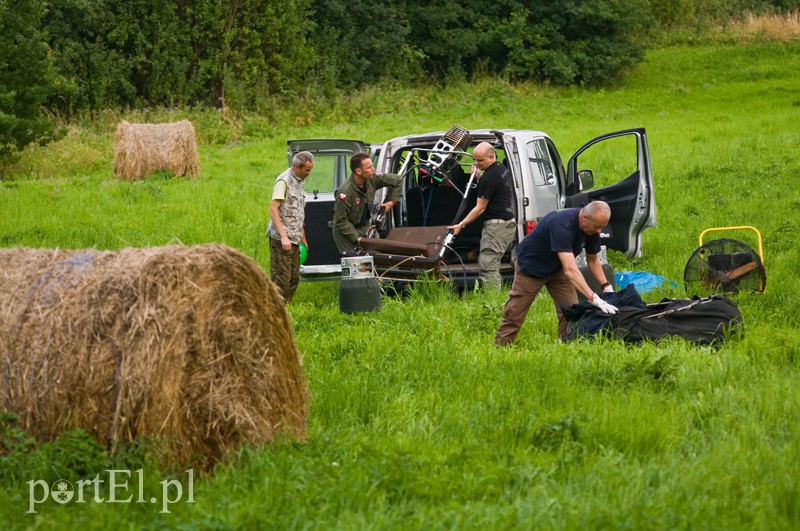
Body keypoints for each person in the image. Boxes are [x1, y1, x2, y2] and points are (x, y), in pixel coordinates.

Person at [494, 201, 618, 345]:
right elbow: (571, 270)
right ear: (584, 217)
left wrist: (606, 286)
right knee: (515, 313)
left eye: (601, 227)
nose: (599, 231)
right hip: (532, 267)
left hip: (558, 268)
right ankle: (501, 347)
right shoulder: (562, 225)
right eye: (597, 226)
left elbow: (593, 261)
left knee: (572, 311)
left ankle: (566, 346)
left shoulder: (592, 227)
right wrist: (593, 297)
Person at [447, 142, 516, 290]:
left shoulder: (489, 178)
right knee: (490, 263)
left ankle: (494, 302)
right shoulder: (501, 168)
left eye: (480, 161)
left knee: (488, 266)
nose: (476, 164)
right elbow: (493, 189)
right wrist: (479, 176)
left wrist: (461, 225)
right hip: (505, 223)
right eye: (474, 159)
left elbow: (479, 208)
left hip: (496, 227)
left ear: (491, 157)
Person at [267, 151, 314, 303]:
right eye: (307, 170)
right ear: (297, 166)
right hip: (282, 240)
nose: (309, 173)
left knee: (294, 278)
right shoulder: (284, 181)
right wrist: (283, 236)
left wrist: (303, 236)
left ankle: (286, 309)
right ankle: (276, 312)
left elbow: (297, 211)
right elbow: (273, 209)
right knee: (281, 279)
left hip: (294, 238)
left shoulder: (300, 180)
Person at [333, 153, 402, 254]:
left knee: (369, 260)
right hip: (345, 231)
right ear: (358, 171)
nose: (373, 169)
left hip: (363, 226)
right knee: (354, 261)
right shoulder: (345, 192)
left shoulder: (372, 178)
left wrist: (391, 203)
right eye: (369, 167)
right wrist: (357, 238)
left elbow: (397, 180)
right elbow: (341, 221)